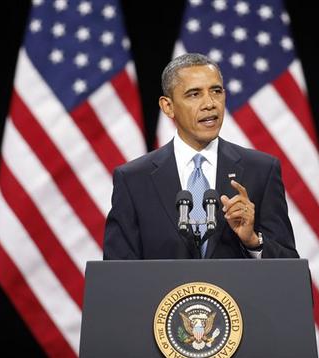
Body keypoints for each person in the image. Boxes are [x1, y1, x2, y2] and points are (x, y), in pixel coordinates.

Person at [103, 53, 299, 260]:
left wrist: (252, 241)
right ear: (168, 107)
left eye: (216, 91)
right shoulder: (134, 180)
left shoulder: (260, 171)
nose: (210, 103)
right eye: (194, 94)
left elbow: (288, 265)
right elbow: (117, 273)